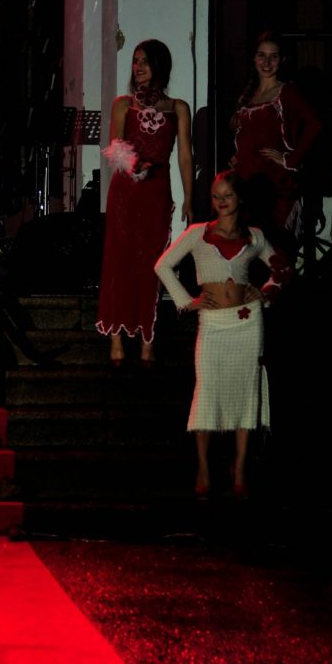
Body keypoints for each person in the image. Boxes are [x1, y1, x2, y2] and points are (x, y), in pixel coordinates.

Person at [155, 172, 289, 497]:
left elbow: (282, 268)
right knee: (207, 393)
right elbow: (162, 265)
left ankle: (239, 468)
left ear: (239, 198)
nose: (221, 201)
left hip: (247, 323)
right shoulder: (197, 233)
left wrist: (265, 292)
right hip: (213, 324)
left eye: (227, 195)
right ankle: (203, 467)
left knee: (246, 391)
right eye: (216, 196)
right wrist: (188, 301)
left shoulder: (255, 236)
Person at [95, 39, 194, 366]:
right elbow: (115, 147)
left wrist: (189, 197)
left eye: (145, 61)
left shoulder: (178, 108)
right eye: (135, 61)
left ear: (159, 66)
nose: (138, 67)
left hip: (156, 192)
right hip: (126, 191)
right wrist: (135, 165)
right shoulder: (123, 104)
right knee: (119, 259)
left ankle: (147, 340)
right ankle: (116, 339)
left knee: (152, 263)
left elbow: (185, 156)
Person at [229, 32, 321, 250]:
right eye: (261, 55)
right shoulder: (248, 95)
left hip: (273, 182)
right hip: (246, 180)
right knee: (246, 249)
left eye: (274, 56)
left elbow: (315, 124)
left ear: (283, 60)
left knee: (273, 249)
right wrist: (237, 157)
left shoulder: (286, 91)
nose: (267, 62)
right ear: (254, 58)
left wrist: (291, 159)